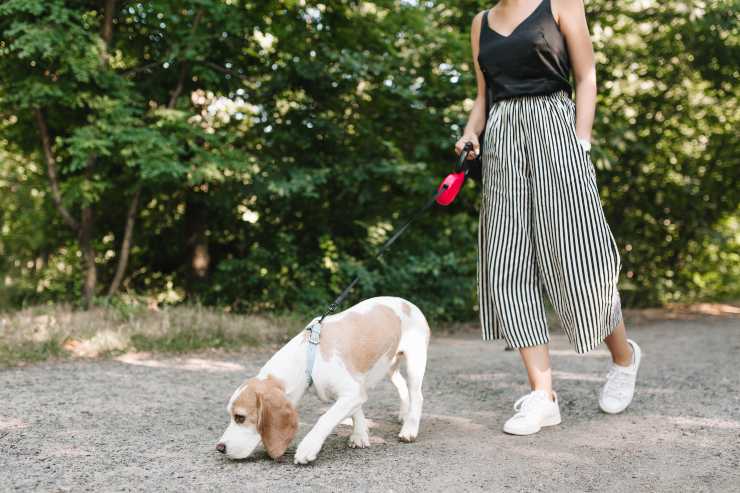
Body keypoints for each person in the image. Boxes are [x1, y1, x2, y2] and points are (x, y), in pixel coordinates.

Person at [455, 0, 642, 435]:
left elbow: (586, 76)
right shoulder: (479, 23)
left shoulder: (560, 3)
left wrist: (581, 143)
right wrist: (470, 132)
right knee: (506, 265)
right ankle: (543, 396)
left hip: (556, 134)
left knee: (581, 261)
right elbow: (485, 96)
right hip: (502, 142)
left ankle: (623, 358)